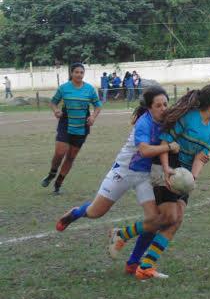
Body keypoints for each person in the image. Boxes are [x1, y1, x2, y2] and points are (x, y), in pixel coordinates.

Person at [115, 84, 210, 281]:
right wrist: (166, 168)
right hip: (167, 166)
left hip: (184, 174)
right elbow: (165, 143)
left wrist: (193, 178)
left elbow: (201, 155)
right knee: (169, 216)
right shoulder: (189, 117)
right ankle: (124, 236)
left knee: (176, 219)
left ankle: (145, 265)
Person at [55, 87, 182, 251]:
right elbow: (144, 151)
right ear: (150, 108)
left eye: (165, 104)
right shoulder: (144, 123)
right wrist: (169, 147)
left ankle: (133, 263)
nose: (163, 109)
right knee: (96, 212)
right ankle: (76, 213)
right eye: (158, 105)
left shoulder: (166, 122)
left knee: (154, 220)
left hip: (145, 176)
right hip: (124, 172)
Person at [41, 63, 102, 194]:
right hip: (66, 124)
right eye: (76, 72)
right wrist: (56, 111)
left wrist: (93, 117)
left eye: (81, 72)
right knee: (59, 153)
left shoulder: (90, 89)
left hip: (82, 126)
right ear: (71, 73)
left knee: (71, 157)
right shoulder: (64, 88)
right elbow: (53, 102)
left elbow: (98, 105)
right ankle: (52, 173)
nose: (79, 74)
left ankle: (58, 185)